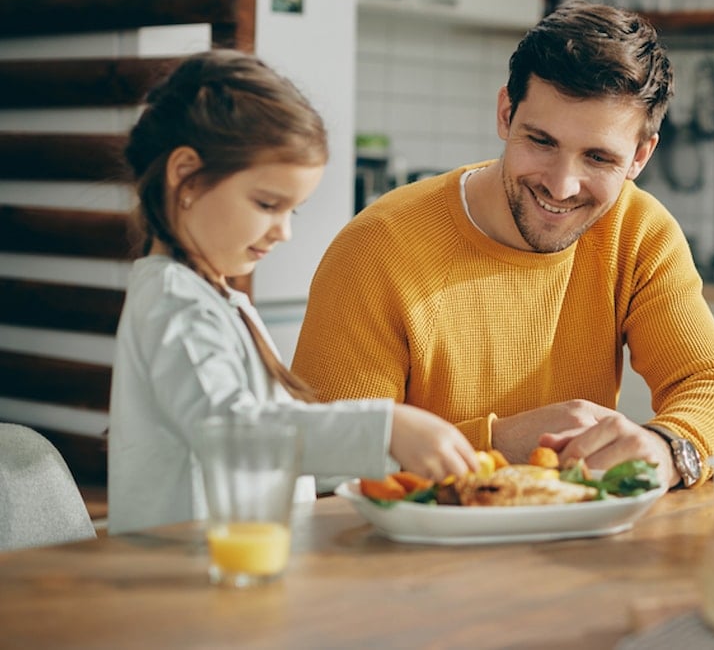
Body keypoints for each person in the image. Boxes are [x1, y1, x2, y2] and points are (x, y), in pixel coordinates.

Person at [290, 1, 714, 490]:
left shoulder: (638, 230)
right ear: (506, 114)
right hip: (412, 558)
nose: (561, 185)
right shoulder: (378, 248)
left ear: (640, 156)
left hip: (576, 548)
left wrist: (667, 447)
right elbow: (322, 464)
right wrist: (495, 443)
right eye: (542, 142)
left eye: (598, 157)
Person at [108, 50, 479, 535]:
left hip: (235, 566)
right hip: (189, 579)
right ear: (187, 175)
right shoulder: (173, 301)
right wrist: (384, 425)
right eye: (267, 204)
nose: (283, 231)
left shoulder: (212, 296)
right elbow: (233, 432)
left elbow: (273, 431)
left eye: (293, 211)